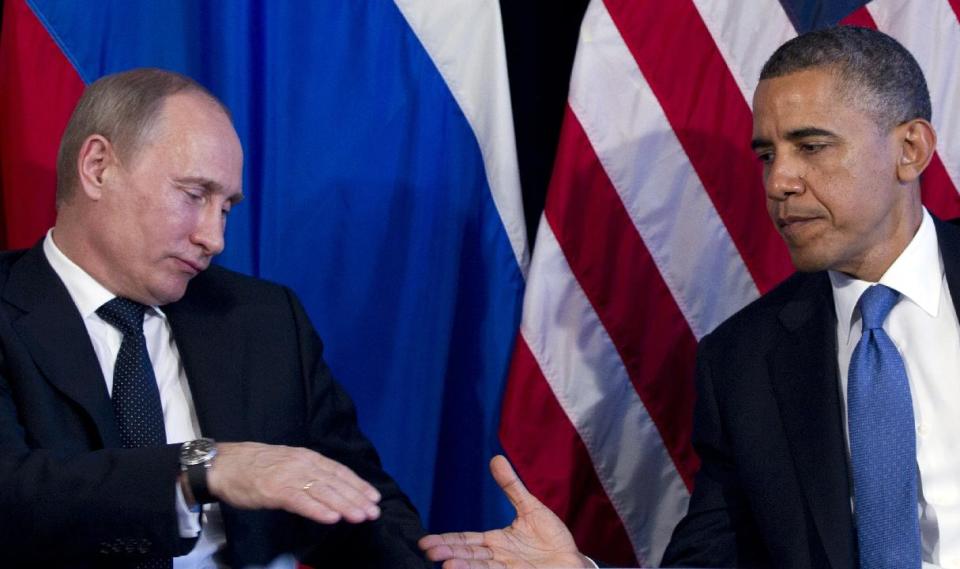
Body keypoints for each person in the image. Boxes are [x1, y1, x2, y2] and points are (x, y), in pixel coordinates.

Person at [420, 26, 960, 569]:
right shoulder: (741, 362)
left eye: (812, 146)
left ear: (909, 150)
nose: (780, 181)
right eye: (768, 155)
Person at [0, 68, 430, 568]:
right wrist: (202, 469)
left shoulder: (265, 322)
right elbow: (14, 497)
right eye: (194, 195)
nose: (214, 238)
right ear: (98, 167)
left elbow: (358, 505)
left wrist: (454, 561)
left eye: (226, 208)